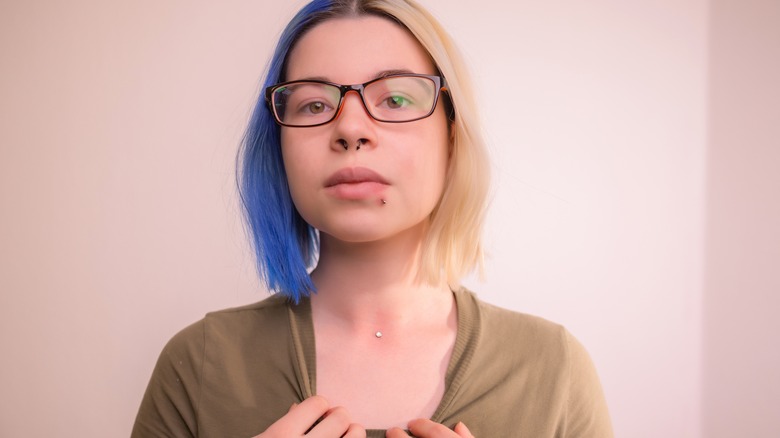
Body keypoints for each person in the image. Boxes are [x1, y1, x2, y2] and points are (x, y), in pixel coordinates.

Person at [132, 0, 613, 437]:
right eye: (314, 104)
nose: (351, 128)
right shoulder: (198, 365)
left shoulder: (554, 369)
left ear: (451, 135)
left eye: (395, 99)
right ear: (278, 147)